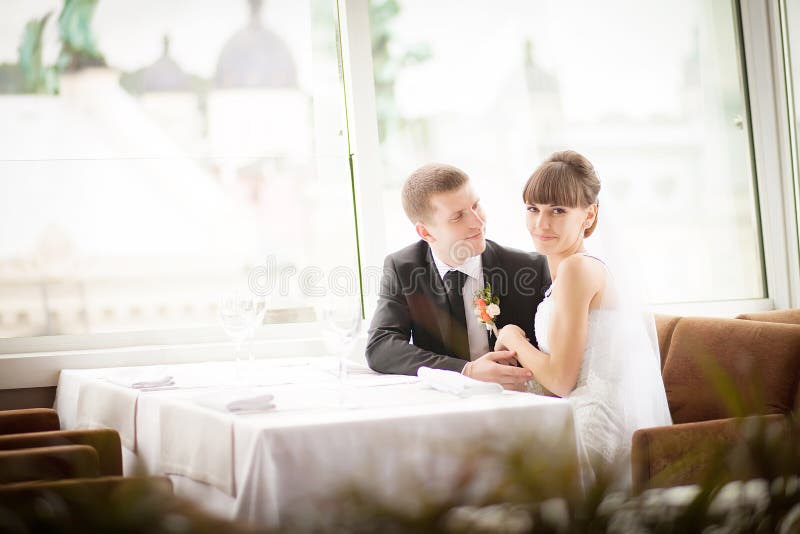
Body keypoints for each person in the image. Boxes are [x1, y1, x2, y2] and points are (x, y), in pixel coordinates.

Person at [495, 150, 672, 484]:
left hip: (592, 425)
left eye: (558, 210)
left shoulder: (578, 269)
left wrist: (513, 339)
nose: (540, 223)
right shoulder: (572, 268)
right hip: (573, 413)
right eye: (533, 208)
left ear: (589, 216)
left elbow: (562, 380)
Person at [366, 163, 550, 390]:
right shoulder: (402, 268)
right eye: (458, 217)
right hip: (446, 407)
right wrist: (466, 371)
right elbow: (381, 347)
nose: (478, 222)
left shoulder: (532, 268)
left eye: (476, 206)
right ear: (426, 232)